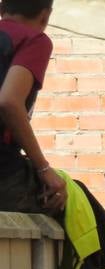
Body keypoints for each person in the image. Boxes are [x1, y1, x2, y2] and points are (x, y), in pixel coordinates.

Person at [0, 0, 65, 214]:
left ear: (1, 8)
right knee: (64, 198)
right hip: (4, 169)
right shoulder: (34, 40)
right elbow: (9, 101)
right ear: (45, 16)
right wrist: (44, 168)